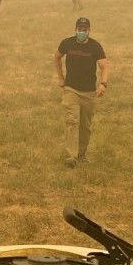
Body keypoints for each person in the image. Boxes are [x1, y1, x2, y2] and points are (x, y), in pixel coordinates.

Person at [54, 17, 108, 168]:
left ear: (89, 31)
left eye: (84, 30)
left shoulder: (95, 47)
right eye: (79, 29)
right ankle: (71, 156)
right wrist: (60, 77)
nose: (81, 32)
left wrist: (103, 84)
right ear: (75, 29)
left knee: (85, 125)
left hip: (89, 92)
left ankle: (81, 154)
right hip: (71, 89)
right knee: (72, 121)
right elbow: (57, 57)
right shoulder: (67, 43)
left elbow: (104, 66)